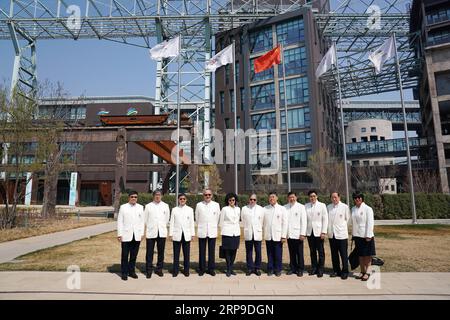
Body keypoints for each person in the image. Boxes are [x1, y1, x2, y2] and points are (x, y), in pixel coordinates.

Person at [117, 190, 145, 281]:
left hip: (136, 235)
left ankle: (131, 271)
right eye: (132, 197)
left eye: (135, 197)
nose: (134, 198)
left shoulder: (140, 207)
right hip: (126, 235)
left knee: (133, 255)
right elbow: (120, 221)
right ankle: (124, 273)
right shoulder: (123, 207)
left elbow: (142, 222)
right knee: (125, 255)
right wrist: (119, 234)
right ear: (129, 198)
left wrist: (141, 233)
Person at [143, 189, 170, 278]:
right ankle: (149, 270)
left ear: (162, 196)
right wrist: (151, 226)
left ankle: (159, 269)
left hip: (161, 232)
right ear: (153, 196)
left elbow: (166, 219)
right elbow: (145, 220)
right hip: (151, 232)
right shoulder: (148, 206)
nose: (158, 196)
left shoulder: (166, 206)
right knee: (149, 253)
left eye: (159, 195)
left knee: (161, 252)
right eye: (156, 195)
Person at [195, 189, 221, 276]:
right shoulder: (199, 205)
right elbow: (197, 218)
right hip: (202, 230)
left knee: (211, 251)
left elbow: (218, 218)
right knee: (202, 251)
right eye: (206, 195)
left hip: (212, 231)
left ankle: (211, 269)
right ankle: (202, 269)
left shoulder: (216, 205)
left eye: (209, 194)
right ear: (203, 195)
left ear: (212, 195)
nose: (207, 196)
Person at [351, 192, 376, 282]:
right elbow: (353, 223)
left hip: (366, 236)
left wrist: (368, 235)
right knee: (360, 255)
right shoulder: (353, 209)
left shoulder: (368, 209)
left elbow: (370, 223)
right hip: (357, 235)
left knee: (367, 255)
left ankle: (368, 272)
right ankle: (362, 271)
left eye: (359, 197)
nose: (357, 199)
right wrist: (353, 234)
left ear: (362, 198)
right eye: (355, 198)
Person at [169, 193, 195, 277]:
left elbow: (191, 223)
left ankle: (186, 270)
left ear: (186, 200)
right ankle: (175, 271)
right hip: (177, 234)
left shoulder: (190, 210)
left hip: (186, 234)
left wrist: (192, 234)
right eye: (180, 199)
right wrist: (170, 234)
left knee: (186, 254)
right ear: (178, 200)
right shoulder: (174, 209)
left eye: (184, 199)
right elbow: (171, 222)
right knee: (176, 254)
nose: (182, 200)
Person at [263, 191, 288, 277]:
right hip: (268, 235)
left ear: (277, 198)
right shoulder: (265, 209)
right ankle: (270, 269)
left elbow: (285, 223)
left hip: (278, 235)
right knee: (269, 253)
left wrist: (283, 236)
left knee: (278, 253)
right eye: (270, 197)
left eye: (273, 197)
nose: (271, 198)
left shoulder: (282, 209)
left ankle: (278, 269)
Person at [327, 192, 350, 280]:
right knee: (334, 254)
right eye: (332, 197)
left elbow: (348, 220)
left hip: (341, 234)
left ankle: (345, 271)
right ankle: (336, 270)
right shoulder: (328, 207)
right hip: (332, 234)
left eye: (335, 197)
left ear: (339, 197)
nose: (334, 199)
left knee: (343, 254)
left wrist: (342, 228)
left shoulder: (344, 207)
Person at [305, 190, 328, 278]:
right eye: (311, 196)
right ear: (309, 197)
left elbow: (325, 219)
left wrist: (323, 231)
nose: (312, 198)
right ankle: (314, 268)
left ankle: (320, 269)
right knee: (312, 251)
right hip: (310, 232)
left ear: (317, 196)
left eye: (314, 196)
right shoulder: (306, 206)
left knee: (321, 251)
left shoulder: (322, 205)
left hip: (319, 232)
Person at [241, 194, 264, 276]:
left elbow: (262, 221)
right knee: (249, 252)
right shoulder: (244, 209)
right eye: (251, 199)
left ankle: (257, 268)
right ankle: (250, 268)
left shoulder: (261, 209)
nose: (252, 201)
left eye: (254, 199)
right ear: (249, 200)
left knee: (258, 251)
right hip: (248, 232)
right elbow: (243, 220)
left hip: (257, 233)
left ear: (256, 200)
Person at [285, 191, 307, 277]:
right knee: (292, 252)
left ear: (296, 197)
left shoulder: (301, 207)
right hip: (289, 234)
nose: (292, 199)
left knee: (299, 252)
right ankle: (292, 268)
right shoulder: (285, 207)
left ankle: (300, 269)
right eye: (290, 197)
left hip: (298, 234)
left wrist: (302, 234)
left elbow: (304, 221)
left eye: (293, 197)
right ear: (288, 198)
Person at [219, 193, 241, 277]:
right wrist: (223, 231)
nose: (232, 201)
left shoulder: (238, 209)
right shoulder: (224, 209)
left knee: (234, 250)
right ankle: (228, 268)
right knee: (227, 251)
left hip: (236, 233)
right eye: (230, 200)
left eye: (233, 200)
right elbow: (221, 222)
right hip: (227, 233)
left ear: (235, 200)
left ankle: (231, 268)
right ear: (227, 201)